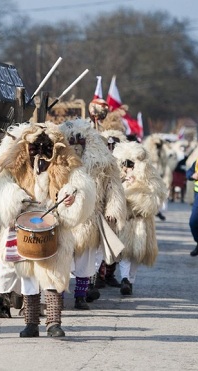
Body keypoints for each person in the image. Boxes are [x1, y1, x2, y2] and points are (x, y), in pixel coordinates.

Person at [0, 122, 95, 337]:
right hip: (24, 224)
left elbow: (80, 184)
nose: (40, 152)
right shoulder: (15, 164)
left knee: (53, 275)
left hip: (54, 223)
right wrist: (14, 198)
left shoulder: (66, 162)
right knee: (28, 276)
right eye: (35, 148)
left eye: (46, 148)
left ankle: (53, 323)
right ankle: (31, 323)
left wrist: (70, 195)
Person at [59, 120, 127, 310]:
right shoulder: (58, 159)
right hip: (63, 217)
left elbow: (114, 185)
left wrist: (113, 209)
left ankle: (81, 295)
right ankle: (58, 297)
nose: (76, 142)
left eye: (80, 139)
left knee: (86, 259)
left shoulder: (103, 161)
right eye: (72, 139)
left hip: (90, 216)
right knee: (61, 258)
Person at [112, 142, 167, 295]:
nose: (127, 167)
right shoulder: (118, 176)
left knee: (137, 253)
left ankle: (130, 280)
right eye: (125, 163)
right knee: (124, 252)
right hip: (125, 219)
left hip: (141, 221)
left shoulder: (149, 176)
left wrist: (138, 189)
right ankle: (124, 279)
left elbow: (156, 196)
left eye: (131, 163)